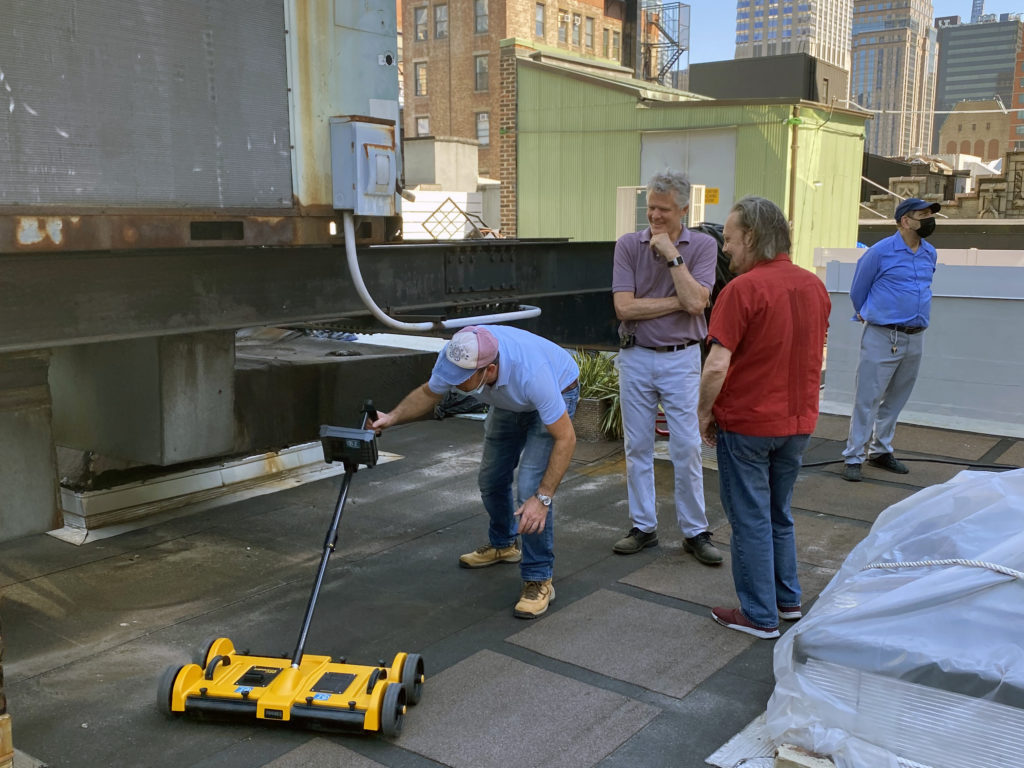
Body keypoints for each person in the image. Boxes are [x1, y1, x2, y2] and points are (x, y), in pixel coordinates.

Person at [370, 325, 579, 619]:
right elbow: (430, 392)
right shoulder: (459, 355)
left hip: (558, 389)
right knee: (491, 479)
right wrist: (391, 418)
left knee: (531, 488)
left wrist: (543, 498)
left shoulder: (534, 375)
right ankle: (504, 545)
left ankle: (538, 577)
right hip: (509, 400)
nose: (453, 384)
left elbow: (566, 439)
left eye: (461, 380)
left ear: (489, 371)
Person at [697, 196, 830, 639]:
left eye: (730, 240)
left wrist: (703, 414)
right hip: (798, 423)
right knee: (778, 513)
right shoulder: (814, 287)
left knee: (750, 518)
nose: (725, 249)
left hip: (749, 424)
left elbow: (717, 365)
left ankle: (759, 615)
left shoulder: (741, 290)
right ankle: (787, 600)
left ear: (751, 236)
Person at [610, 170, 723, 566]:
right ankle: (643, 526)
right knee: (637, 445)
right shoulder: (627, 245)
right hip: (636, 354)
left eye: (664, 209)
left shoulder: (704, 246)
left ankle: (695, 531)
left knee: (687, 446)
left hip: (682, 357)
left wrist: (672, 257)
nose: (655, 216)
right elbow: (625, 308)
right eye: (651, 208)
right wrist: (682, 300)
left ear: (684, 210)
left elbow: (699, 303)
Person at [841, 198, 940, 482]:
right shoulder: (880, 252)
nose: (928, 220)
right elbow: (857, 290)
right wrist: (868, 315)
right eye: (922, 215)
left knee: (897, 397)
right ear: (904, 221)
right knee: (867, 397)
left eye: (929, 215)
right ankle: (853, 456)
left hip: (915, 335)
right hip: (882, 334)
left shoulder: (929, 253)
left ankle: (880, 450)